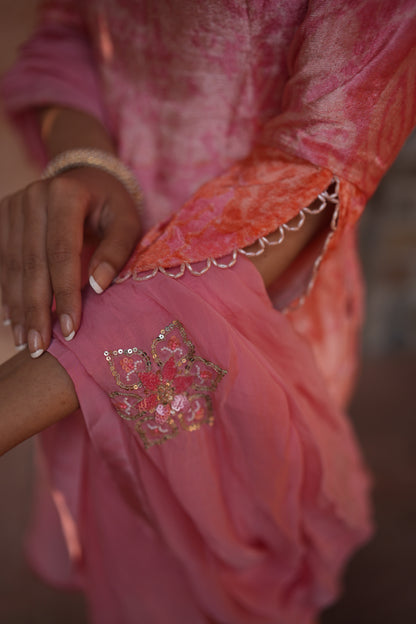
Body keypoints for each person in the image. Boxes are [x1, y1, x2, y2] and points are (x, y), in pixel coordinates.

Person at [0, 1, 415, 622]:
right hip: (101, 255)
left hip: (262, 291)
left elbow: (319, 159)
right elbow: (66, 34)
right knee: (140, 526)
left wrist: (38, 384)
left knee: (237, 527)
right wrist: (89, 164)